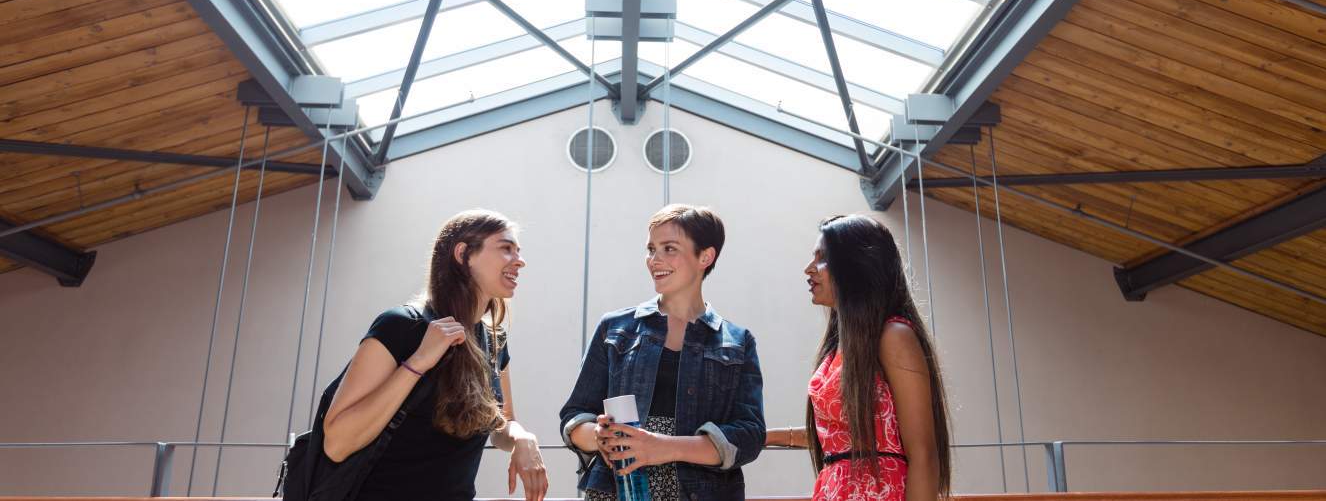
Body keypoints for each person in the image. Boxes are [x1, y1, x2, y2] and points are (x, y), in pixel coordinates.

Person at [321, 210, 548, 501]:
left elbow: (502, 423)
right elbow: (337, 442)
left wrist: (521, 438)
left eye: (518, 251)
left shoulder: (494, 341)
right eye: (506, 248)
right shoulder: (402, 326)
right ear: (463, 254)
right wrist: (417, 363)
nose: (520, 260)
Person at [560, 204, 766, 501]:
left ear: (705, 257)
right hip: (617, 491)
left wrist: (663, 446)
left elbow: (749, 435)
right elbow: (575, 415)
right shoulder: (614, 328)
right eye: (651, 249)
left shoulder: (737, 341)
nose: (654, 260)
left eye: (669, 248)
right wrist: (598, 435)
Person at [766, 214, 952, 501]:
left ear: (856, 267)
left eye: (822, 258)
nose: (808, 269)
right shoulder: (840, 346)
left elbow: (924, 454)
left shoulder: (893, 336)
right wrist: (763, 436)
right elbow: (845, 436)